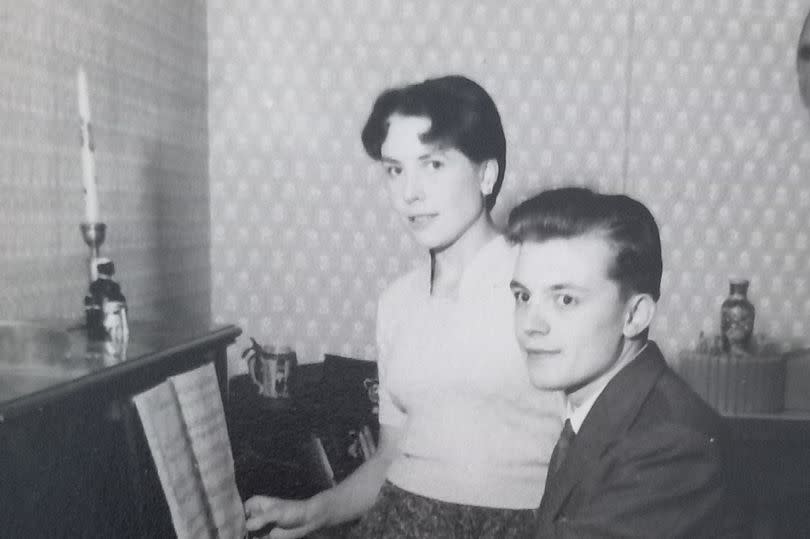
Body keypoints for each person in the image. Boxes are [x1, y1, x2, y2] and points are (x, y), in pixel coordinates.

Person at [244, 75, 562, 538]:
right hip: (399, 523)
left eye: (432, 165)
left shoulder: (543, 283)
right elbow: (391, 459)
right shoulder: (397, 303)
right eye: (395, 170)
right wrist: (313, 511)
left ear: (486, 174)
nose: (409, 192)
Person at [506, 187, 745, 538]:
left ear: (634, 315)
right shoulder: (606, 407)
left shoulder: (671, 446)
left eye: (566, 299)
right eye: (523, 296)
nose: (530, 324)